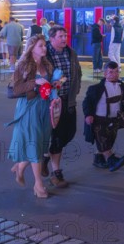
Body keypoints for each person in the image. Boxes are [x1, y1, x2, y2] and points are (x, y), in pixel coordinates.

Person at [7, 35, 63, 199]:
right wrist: (34, 83)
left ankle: (20, 167)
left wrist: (56, 85)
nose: (44, 48)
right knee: (34, 142)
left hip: (45, 108)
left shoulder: (47, 64)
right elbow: (16, 89)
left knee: (40, 144)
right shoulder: (24, 65)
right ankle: (38, 184)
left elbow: (50, 85)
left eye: (45, 45)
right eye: (40, 46)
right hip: (29, 108)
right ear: (31, 48)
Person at [43, 25, 82, 187]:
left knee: (69, 133)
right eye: (60, 36)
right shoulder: (44, 55)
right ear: (51, 39)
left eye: (65, 35)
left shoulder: (70, 53)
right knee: (58, 137)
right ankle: (56, 172)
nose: (64, 39)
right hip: (52, 103)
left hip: (69, 100)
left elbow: (77, 73)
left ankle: (46, 157)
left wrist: (76, 90)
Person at [83, 61, 124, 171]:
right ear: (105, 73)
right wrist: (88, 115)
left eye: (116, 72)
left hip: (115, 119)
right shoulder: (96, 89)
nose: (114, 74)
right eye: (111, 72)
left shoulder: (122, 86)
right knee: (103, 141)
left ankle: (99, 159)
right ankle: (112, 160)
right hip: (99, 120)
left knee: (110, 139)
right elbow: (87, 102)